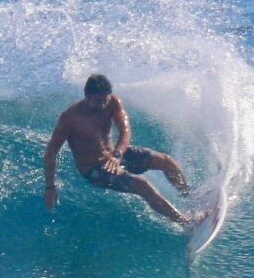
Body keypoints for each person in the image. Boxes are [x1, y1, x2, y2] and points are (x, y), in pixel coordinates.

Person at [43, 74, 192, 224]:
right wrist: (50, 187)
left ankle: (189, 197)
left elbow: (125, 130)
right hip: (94, 169)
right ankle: (186, 222)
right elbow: (51, 151)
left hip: (115, 154)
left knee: (165, 161)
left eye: (105, 99)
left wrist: (117, 154)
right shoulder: (71, 118)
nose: (102, 104)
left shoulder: (113, 102)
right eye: (98, 100)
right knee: (142, 185)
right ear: (87, 95)